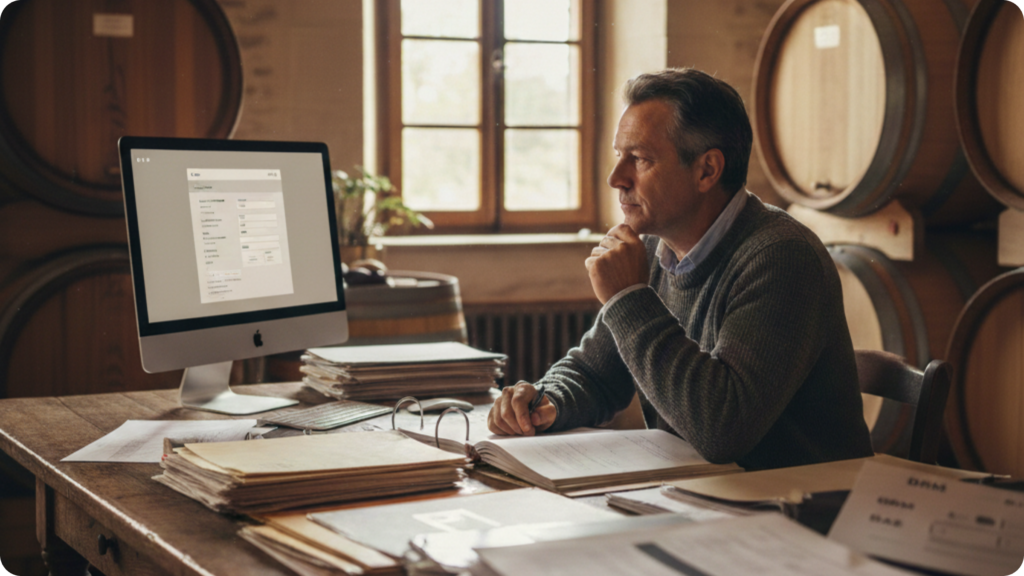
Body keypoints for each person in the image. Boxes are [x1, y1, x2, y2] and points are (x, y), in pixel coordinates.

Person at [487, 68, 873, 471]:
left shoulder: (781, 257)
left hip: (802, 509)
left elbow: (722, 430)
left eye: (639, 159)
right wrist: (544, 400)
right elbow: (597, 372)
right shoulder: (653, 246)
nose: (616, 178)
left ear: (707, 170)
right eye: (619, 156)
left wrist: (628, 298)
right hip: (709, 499)